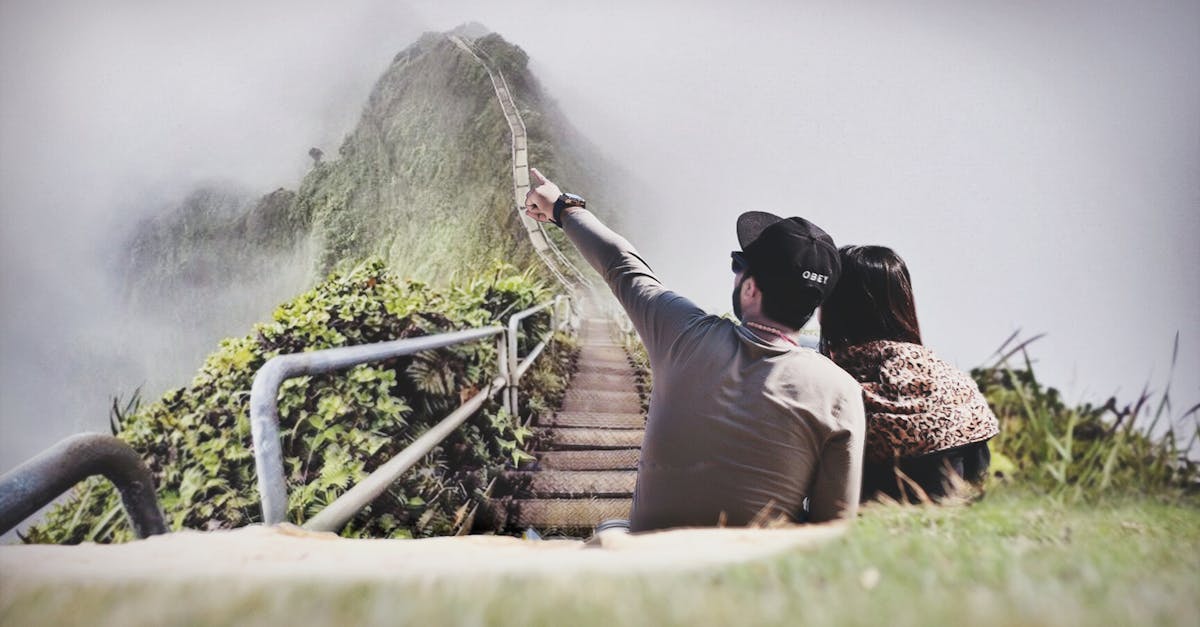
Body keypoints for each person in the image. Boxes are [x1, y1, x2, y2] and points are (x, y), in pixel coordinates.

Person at [523, 168, 865, 531]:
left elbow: (621, 263)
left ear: (750, 290)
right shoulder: (841, 393)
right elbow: (833, 527)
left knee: (610, 530)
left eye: (739, 267)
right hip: (755, 577)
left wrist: (561, 207)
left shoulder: (682, 334)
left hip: (650, 562)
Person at [819, 245, 999, 502]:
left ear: (835, 306)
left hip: (862, 532)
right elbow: (978, 474)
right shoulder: (954, 385)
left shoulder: (827, 385)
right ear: (904, 302)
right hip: (950, 528)